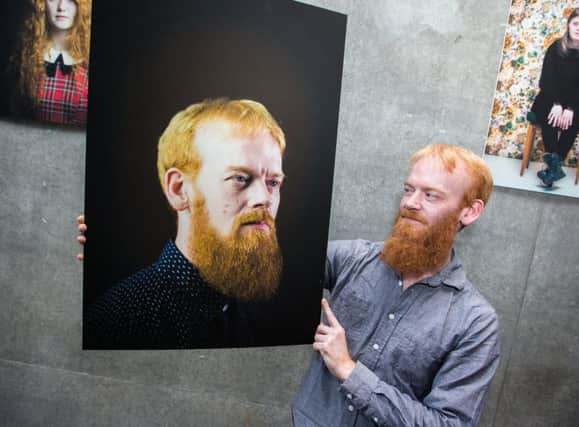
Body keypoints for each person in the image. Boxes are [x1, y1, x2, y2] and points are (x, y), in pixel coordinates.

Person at [292, 144, 500, 426]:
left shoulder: (475, 322)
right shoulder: (353, 258)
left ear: (470, 212)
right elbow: (282, 261)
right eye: (408, 189)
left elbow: (449, 424)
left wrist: (348, 370)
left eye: (431, 195)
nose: (410, 203)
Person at [80, 98, 286, 349]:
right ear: (179, 190)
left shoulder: (258, 318)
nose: (264, 198)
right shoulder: (117, 320)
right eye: (240, 178)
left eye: (273, 182)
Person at [531, 7, 579, 187]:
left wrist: (570, 108)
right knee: (550, 114)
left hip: (578, 101)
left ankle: (552, 166)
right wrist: (558, 104)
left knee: (573, 119)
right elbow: (547, 79)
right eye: (575, 23)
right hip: (551, 97)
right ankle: (555, 167)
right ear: (568, 25)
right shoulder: (555, 47)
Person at [10, 0, 91, 125]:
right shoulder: (26, 60)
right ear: (42, 4)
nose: (61, 7)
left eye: (71, 0)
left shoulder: (87, 64)